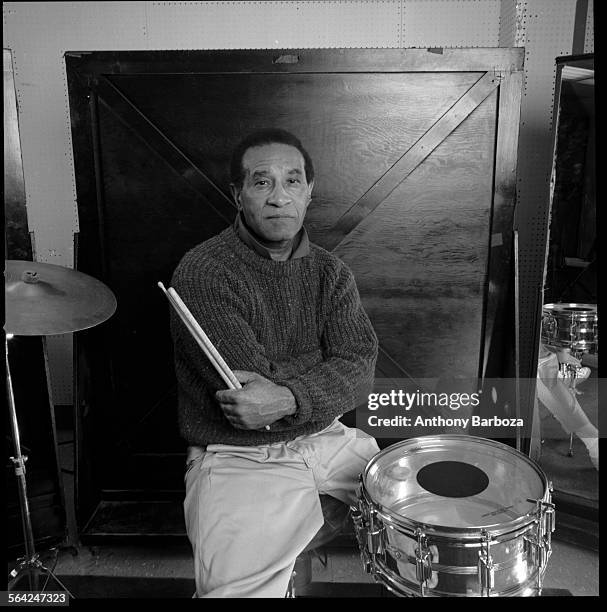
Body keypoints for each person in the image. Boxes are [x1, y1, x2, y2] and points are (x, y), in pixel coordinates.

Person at [170, 128, 380, 598]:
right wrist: (324, 374)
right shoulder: (204, 271)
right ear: (238, 194)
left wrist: (288, 396)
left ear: (310, 191)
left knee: (441, 518)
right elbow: (249, 402)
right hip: (237, 454)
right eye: (262, 182)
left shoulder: (330, 272)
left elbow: (359, 366)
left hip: (328, 436)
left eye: (293, 181)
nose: (279, 197)